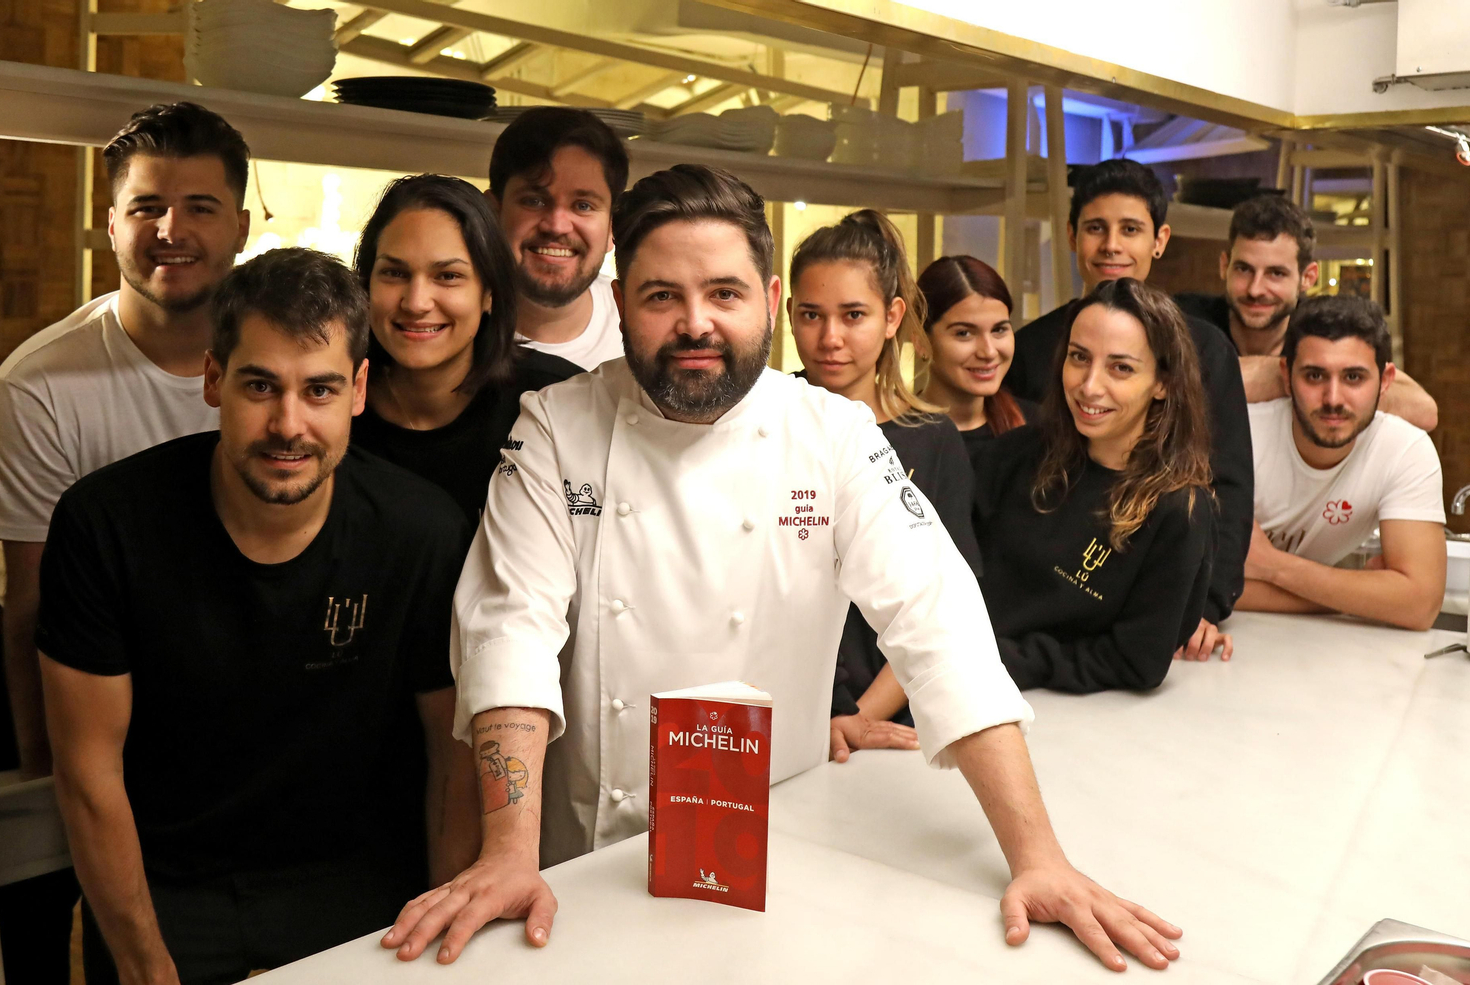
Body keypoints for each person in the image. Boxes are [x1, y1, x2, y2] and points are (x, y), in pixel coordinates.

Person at [386, 165, 1185, 974]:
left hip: (783, 844)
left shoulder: (832, 434)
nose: (696, 323)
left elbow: (938, 621)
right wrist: (507, 851)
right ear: (623, 300)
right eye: (662, 296)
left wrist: (1037, 855)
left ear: (768, 301)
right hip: (586, 866)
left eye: (725, 294)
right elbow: (509, 629)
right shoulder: (558, 425)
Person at [37, 248, 474, 985]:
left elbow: (452, 753)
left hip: (356, 881)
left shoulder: (419, 531)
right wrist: (146, 967)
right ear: (213, 379)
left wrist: (448, 940)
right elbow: (88, 773)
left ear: (359, 390)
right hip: (168, 881)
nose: (288, 424)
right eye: (260, 385)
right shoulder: (106, 525)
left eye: (321, 389)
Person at [0, 101, 251, 983]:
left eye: (201, 206)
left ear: (241, 223)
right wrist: (47, 792)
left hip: (214, 682)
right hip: (72, 693)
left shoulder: (270, 358)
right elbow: (30, 609)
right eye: (147, 206)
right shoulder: (41, 385)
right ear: (111, 220)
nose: (172, 230)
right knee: (60, 927)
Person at [1005, 159, 1248, 663]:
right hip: (1060, 612)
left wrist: (1204, 604)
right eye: (1096, 228)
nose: (1111, 245)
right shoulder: (1029, 349)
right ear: (1072, 236)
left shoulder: (1205, 349)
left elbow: (1228, 483)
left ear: (1159, 241)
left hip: (1152, 615)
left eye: (1130, 229)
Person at [787, 210, 977, 750]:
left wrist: (857, 718)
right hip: (784, 710)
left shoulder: (933, 438)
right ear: (787, 312)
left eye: (853, 315)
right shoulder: (765, 421)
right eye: (811, 315)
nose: (830, 338)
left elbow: (943, 605)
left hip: (885, 723)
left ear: (893, 316)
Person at [974, 278, 1215, 693]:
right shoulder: (1013, 455)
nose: (1089, 385)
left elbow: (1136, 662)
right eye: (1079, 358)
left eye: (1121, 367)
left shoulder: (1178, 511)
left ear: (1164, 382)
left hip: (1053, 716)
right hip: (942, 682)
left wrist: (1001, 661)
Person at [349, 174, 581, 520]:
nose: (415, 303)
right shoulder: (329, 404)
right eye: (394, 273)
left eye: (447, 276)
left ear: (489, 292)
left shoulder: (556, 399)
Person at [1239, 295, 1446, 630]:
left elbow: (1420, 604)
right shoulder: (1239, 434)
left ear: (1386, 381)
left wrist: (1271, 565)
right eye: (1314, 376)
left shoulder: (1405, 449)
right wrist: (1359, 593)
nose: (1333, 399)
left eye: (1353, 378)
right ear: (1286, 374)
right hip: (1221, 640)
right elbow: (1199, 585)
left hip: (1324, 652)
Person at [1174, 194, 1438, 432]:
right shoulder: (1184, 318)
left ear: (1308, 277)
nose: (1256, 289)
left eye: (1276, 273)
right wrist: (1299, 377)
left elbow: (1425, 412)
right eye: (1244, 269)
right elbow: (1171, 383)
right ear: (1224, 266)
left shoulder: (1322, 326)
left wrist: (1297, 381)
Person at [486, 107, 629, 370]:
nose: (557, 226)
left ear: (613, 227)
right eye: (534, 200)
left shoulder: (643, 331)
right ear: (493, 213)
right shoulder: (448, 329)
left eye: (583, 205)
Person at [916, 254, 1035, 458]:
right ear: (920, 341)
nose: (988, 352)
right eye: (964, 333)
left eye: (999, 330)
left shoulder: (1040, 430)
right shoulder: (887, 440)